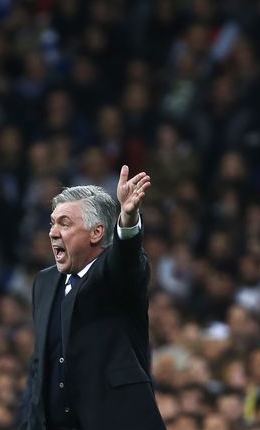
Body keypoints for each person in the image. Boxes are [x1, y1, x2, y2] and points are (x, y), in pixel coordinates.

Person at [19, 165, 165, 429]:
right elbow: (41, 365)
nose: (53, 232)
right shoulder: (44, 281)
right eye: (52, 223)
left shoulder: (115, 274)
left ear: (96, 233)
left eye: (65, 223)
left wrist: (128, 219)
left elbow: (126, 257)